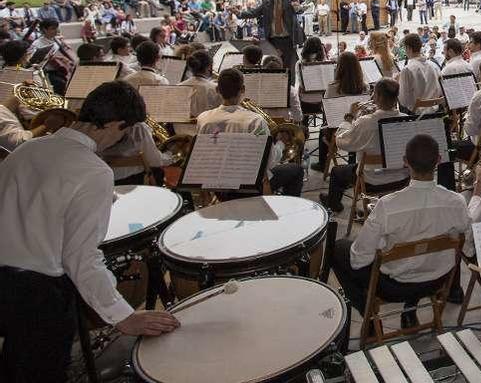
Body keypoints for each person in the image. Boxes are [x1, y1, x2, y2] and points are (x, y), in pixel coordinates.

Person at [0, 81, 180, 382]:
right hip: (38, 296)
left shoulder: (28, 148)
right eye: (124, 131)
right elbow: (81, 257)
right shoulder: (93, 170)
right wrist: (124, 316)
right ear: (114, 124)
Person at [330, 134, 470, 328]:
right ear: (438, 160)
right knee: (421, 248)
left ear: (405, 162)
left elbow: (358, 259)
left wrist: (382, 245)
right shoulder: (458, 202)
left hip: (395, 287)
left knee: (337, 249)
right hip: (438, 280)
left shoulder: (387, 206)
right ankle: (410, 310)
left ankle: (369, 318)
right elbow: (465, 237)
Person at [196, 69, 305, 197]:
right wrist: (280, 142)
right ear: (242, 89)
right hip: (250, 185)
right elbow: (270, 161)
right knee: (296, 170)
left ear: (217, 90)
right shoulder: (255, 120)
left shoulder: (203, 118)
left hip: (217, 185)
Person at [319, 78, 410, 213]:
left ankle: (334, 205)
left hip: (371, 181)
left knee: (337, 172)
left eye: (374, 93)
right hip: (402, 179)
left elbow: (341, 142)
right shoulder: (406, 119)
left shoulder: (365, 122)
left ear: (377, 96)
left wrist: (349, 118)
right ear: (396, 99)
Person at [237, 0, 301, 68]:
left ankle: (289, 82)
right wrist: (238, 13)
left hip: (288, 39)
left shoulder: (290, 0)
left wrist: (297, 7)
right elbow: (254, 12)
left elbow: (299, 10)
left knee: (289, 66)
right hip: (273, 40)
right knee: (274, 65)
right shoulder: (267, 3)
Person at [398, 33, 442, 114]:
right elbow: (440, 92)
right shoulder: (434, 65)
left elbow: (404, 101)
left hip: (415, 114)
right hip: (436, 112)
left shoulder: (407, 69)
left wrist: (399, 82)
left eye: (405, 48)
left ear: (409, 48)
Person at [179, 51, 222, 118]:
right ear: (209, 67)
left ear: (190, 68)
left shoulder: (179, 86)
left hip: (179, 128)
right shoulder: (215, 88)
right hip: (207, 127)